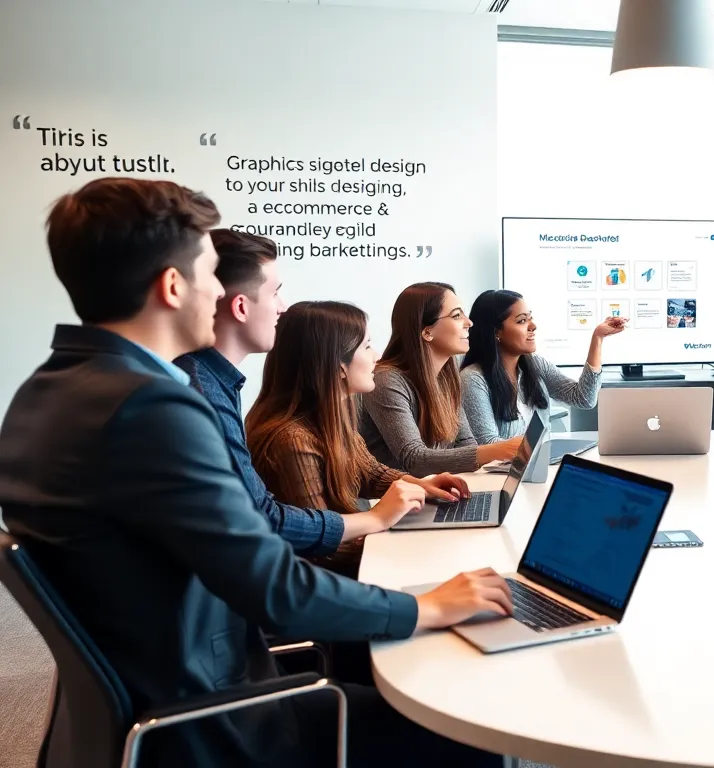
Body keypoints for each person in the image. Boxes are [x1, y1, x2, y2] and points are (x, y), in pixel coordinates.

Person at [0, 177, 510, 768]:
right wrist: (430, 607)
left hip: (146, 705)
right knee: (470, 733)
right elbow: (275, 586)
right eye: (212, 274)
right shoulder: (153, 408)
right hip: (219, 724)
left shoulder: (40, 395)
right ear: (173, 286)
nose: (221, 294)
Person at [176, 230, 414, 560]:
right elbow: (266, 521)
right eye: (275, 293)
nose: (282, 308)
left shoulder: (218, 385)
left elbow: (368, 471)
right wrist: (376, 521)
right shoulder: (202, 392)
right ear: (241, 306)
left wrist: (420, 488)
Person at [246, 300, 472, 577]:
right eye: (367, 346)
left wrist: (422, 485)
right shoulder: (292, 439)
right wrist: (398, 544)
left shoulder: (331, 417)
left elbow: (370, 474)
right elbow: (320, 547)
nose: (376, 356)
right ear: (338, 366)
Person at [360, 281, 523, 475]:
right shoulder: (386, 381)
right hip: (389, 500)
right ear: (427, 332)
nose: (469, 323)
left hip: (431, 492)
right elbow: (414, 459)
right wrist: (499, 450)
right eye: (456, 315)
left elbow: (465, 443)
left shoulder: (447, 377)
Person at [461, 289, 626, 443]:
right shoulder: (473, 379)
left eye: (530, 318)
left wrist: (597, 338)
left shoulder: (535, 365)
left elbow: (584, 399)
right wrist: (538, 449)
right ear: (496, 332)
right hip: (501, 473)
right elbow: (488, 444)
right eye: (522, 321)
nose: (533, 326)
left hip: (543, 466)